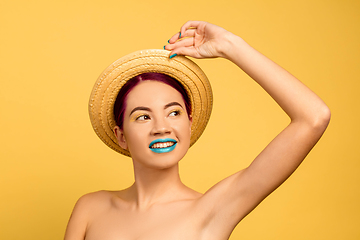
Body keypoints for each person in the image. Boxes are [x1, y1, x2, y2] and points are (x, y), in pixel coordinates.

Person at [64, 21, 330, 240]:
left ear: (189, 123)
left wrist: (231, 45)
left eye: (174, 112)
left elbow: (313, 117)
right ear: (121, 136)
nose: (162, 127)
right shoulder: (90, 208)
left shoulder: (213, 209)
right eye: (143, 116)